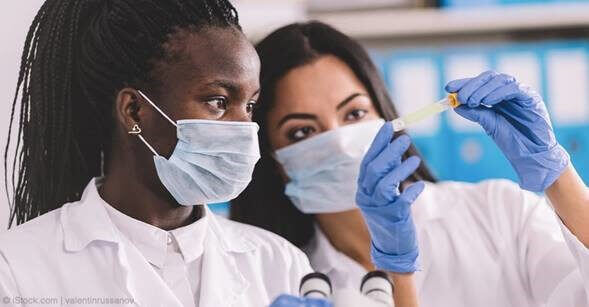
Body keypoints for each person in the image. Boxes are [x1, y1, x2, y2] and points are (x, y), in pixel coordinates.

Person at [231, 21, 589, 306]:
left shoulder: (498, 212)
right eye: (300, 132)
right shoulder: (288, 280)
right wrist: (397, 272)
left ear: (387, 116)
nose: (339, 141)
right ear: (273, 158)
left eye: (354, 113)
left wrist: (557, 174)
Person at [0, 1, 314, 306]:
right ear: (134, 111)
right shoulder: (17, 268)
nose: (245, 128)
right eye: (218, 101)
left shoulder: (280, 264)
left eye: (250, 106)